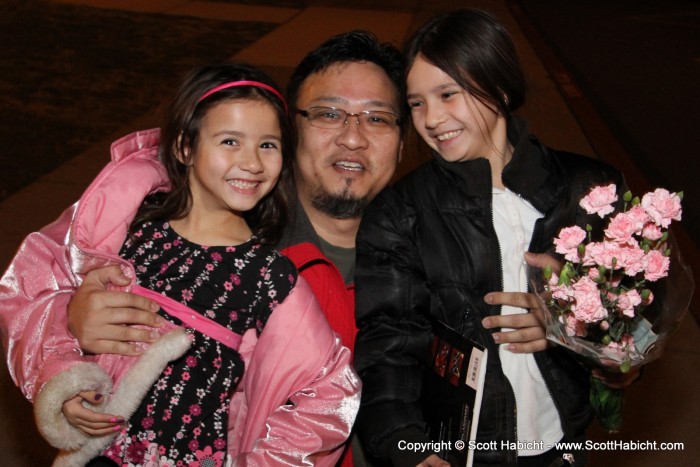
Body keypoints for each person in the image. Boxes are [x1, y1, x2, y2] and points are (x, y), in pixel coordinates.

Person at [62, 30, 408, 467]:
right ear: (293, 129)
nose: (353, 138)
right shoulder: (172, 232)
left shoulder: (434, 257)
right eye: (329, 113)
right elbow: (39, 281)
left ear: (403, 141)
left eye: (377, 118)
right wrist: (69, 326)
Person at [0, 62, 359, 466]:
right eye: (230, 141)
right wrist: (66, 375)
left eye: (268, 145)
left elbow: (329, 392)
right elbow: (31, 289)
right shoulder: (128, 234)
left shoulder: (269, 278)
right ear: (185, 147)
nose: (253, 162)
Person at [353, 9, 637, 467]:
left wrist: (572, 326)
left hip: (561, 446)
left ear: (499, 87)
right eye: (417, 103)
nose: (431, 118)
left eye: (448, 94)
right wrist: (407, 446)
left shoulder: (589, 190)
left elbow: (632, 320)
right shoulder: (400, 211)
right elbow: (388, 346)